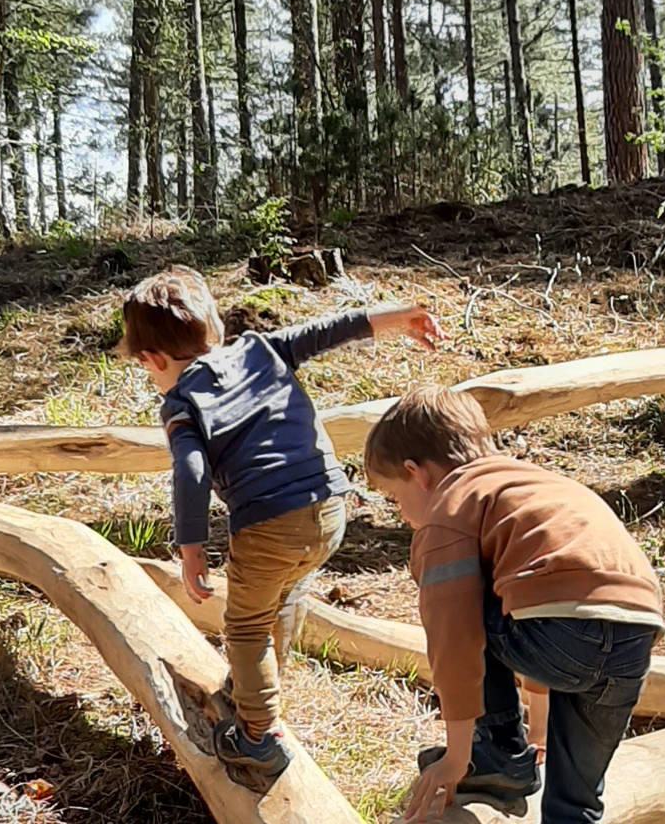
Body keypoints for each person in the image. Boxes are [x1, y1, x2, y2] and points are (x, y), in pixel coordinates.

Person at [118, 266, 442, 781]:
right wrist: (397, 316)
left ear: (153, 359)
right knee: (284, 597)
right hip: (331, 507)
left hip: (269, 520)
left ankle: (259, 736)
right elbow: (326, 331)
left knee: (245, 624)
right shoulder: (259, 350)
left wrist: (192, 548)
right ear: (216, 331)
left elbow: (191, 469)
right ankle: (255, 690)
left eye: (149, 371)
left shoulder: (181, 402)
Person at [362, 386, 662, 824]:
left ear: (417, 473)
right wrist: (538, 724)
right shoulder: (535, 483)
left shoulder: (451, 506)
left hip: (562, 633)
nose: (404, 516)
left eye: (395, 498)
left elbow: (456, 639)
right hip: (636, 628)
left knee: (459, 601)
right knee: (576, 805)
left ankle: (498, 756)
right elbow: (553, 589)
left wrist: (458, 755)